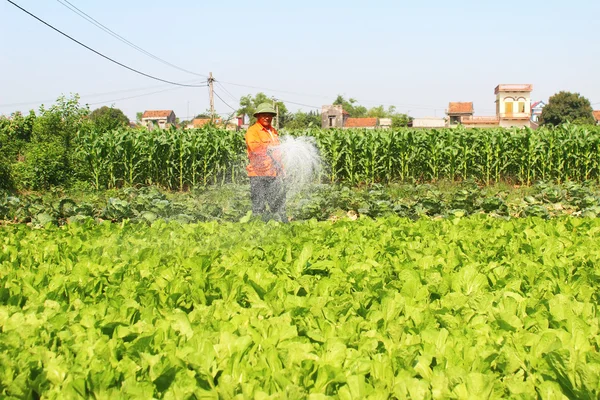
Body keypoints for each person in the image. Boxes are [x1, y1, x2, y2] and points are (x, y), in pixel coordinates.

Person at [244, 102, 288, 222]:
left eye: (269, 115)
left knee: (277, 204)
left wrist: (282, 169)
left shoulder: (273, 132)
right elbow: (255, 148)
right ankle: (258, 229)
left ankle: (279, 226)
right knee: (259, 205)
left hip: (274, 173)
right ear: (258, 116)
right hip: (259, 173)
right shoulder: (253, 131)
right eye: (263, 115)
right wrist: (268, 148)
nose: (267, 117)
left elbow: (278, 153)